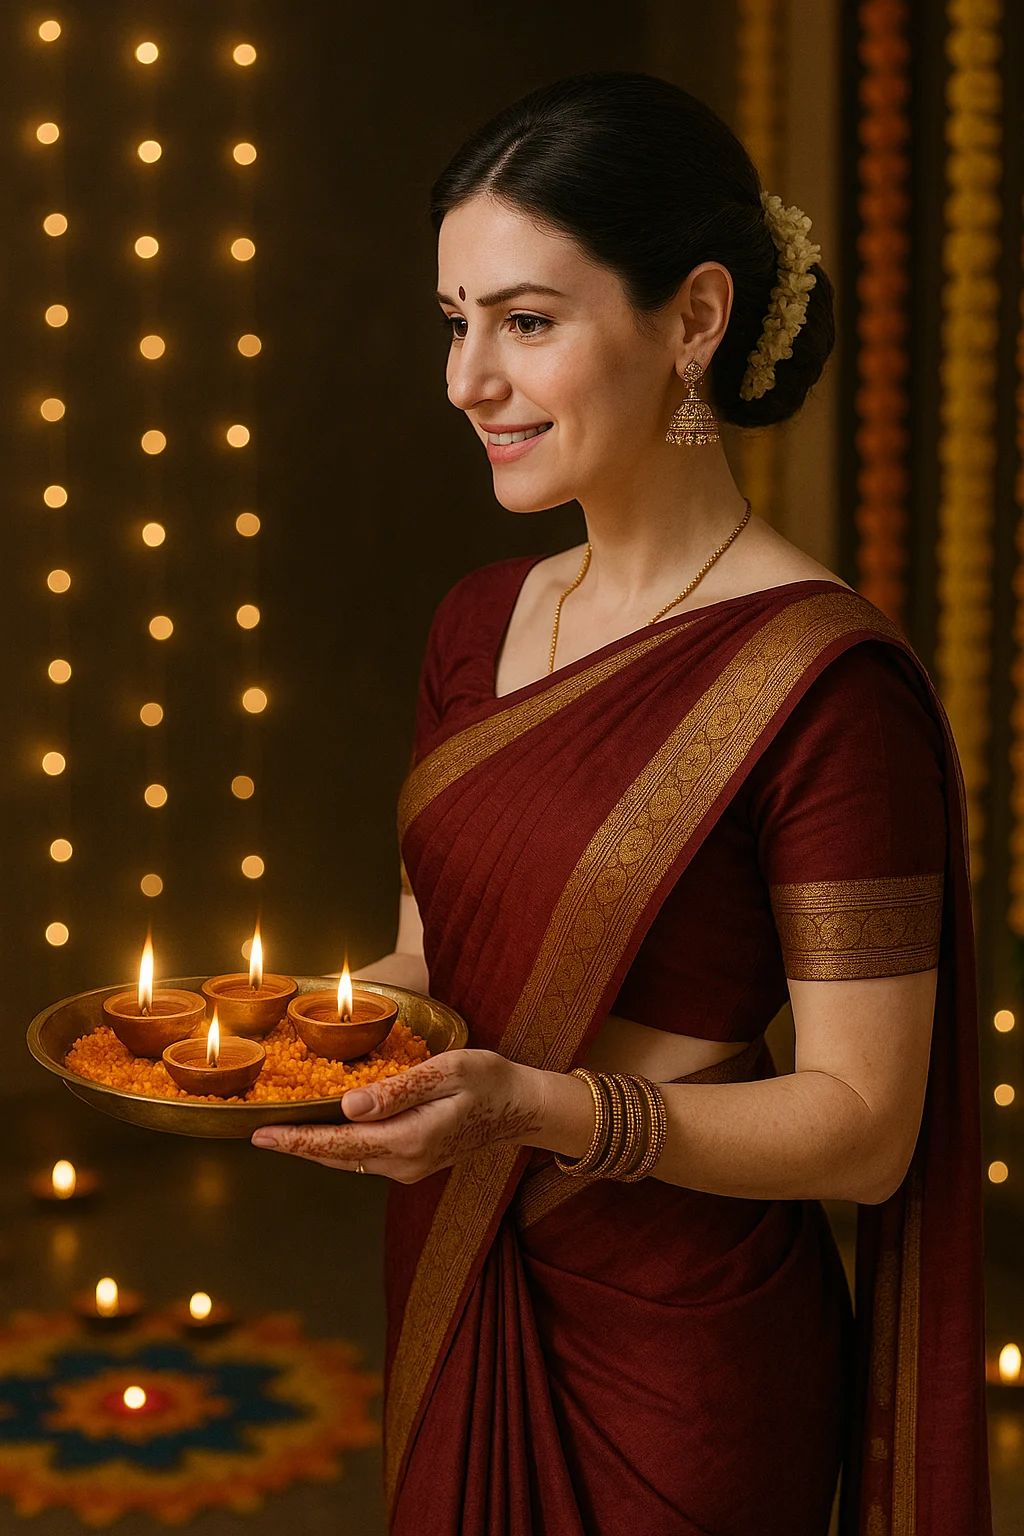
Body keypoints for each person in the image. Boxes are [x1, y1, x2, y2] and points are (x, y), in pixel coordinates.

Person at [252, 72, 991, 1535]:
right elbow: (432, 966)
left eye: (526, 321)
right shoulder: (477, 625)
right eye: (454, 321)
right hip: (466, 1268)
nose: (468, 378)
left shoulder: (824, 684)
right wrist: (278, 1035)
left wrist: (536, 1110)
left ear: (696, 321)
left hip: (685, 1354)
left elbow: (865, 1127)